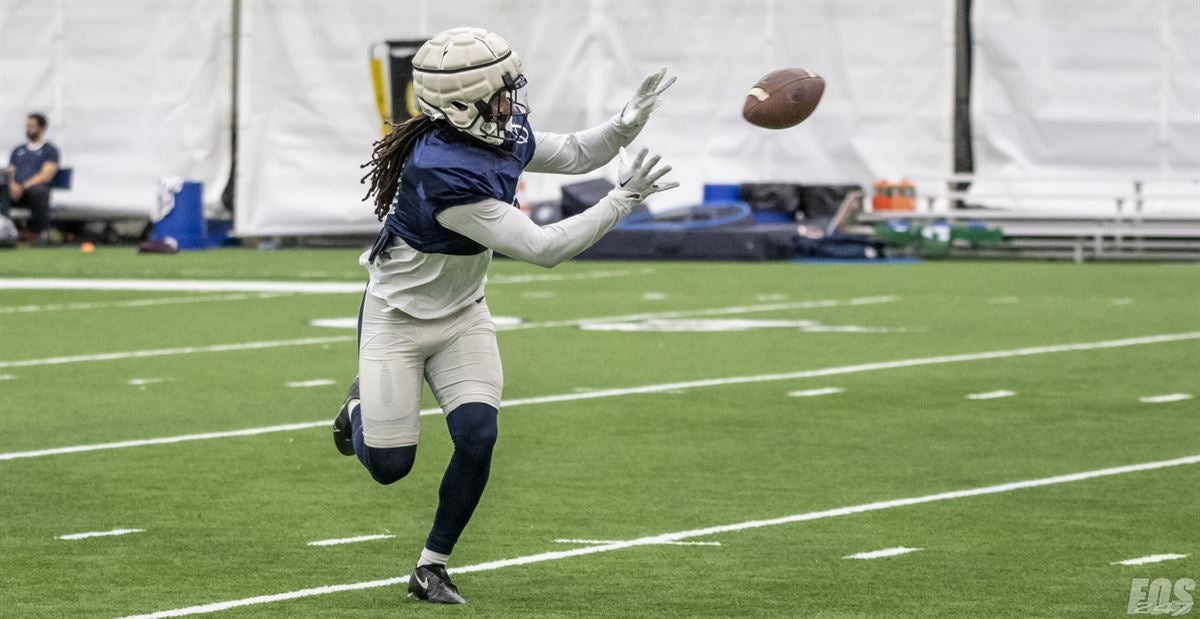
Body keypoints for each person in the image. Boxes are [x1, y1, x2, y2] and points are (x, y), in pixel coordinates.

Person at [329, 27, 677, 604]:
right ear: (463, 103)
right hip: (398, 317)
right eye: (500, 93)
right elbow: (542, 248)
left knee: (478, 435)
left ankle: (431, 566)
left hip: (462, 311)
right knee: (390, 466)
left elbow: (573, 152)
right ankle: (357, 404)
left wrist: (625, 123)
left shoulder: (492, 128)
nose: (511, 105)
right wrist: (622, 201)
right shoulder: (443, 169)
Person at [1, 113, 61, 245]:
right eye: (27, 126)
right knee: (2, 189)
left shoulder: (50, 151)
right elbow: (10, 171)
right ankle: (4, 232)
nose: (28, 128)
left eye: (32, 126)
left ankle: (40, 234)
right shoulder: (18, 150)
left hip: (33, 191)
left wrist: (23, 186)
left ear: (41, 128)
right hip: (15, 192)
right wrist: (12, 185)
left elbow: (46, 175)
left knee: (38, 191)